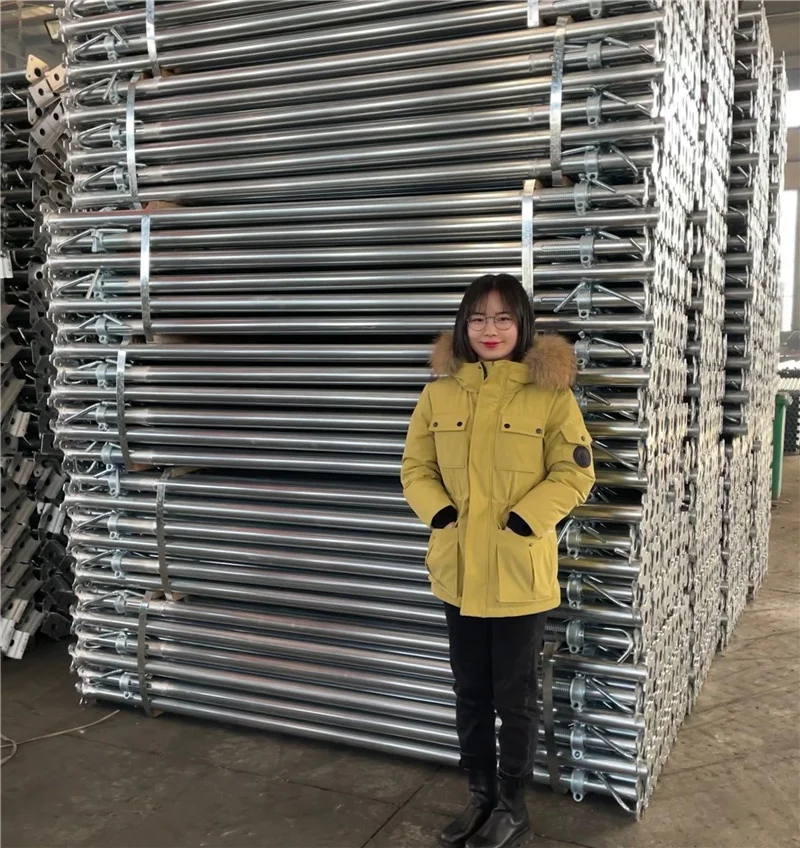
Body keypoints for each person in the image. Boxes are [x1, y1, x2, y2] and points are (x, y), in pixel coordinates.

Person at [401, 273, 595, 848]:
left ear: (522, 325)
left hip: (517, 575)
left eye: (503, 318)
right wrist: (440, 513)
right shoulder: (439, 395)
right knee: (470, 692)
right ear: (464, 326)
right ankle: (481, 797)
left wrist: (525, 519)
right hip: (458, 573)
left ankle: (513, 806)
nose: (490, 329)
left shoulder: (550, 396)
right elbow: (415, 467)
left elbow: (574, 472)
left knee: (515, 698)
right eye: (479, 318)